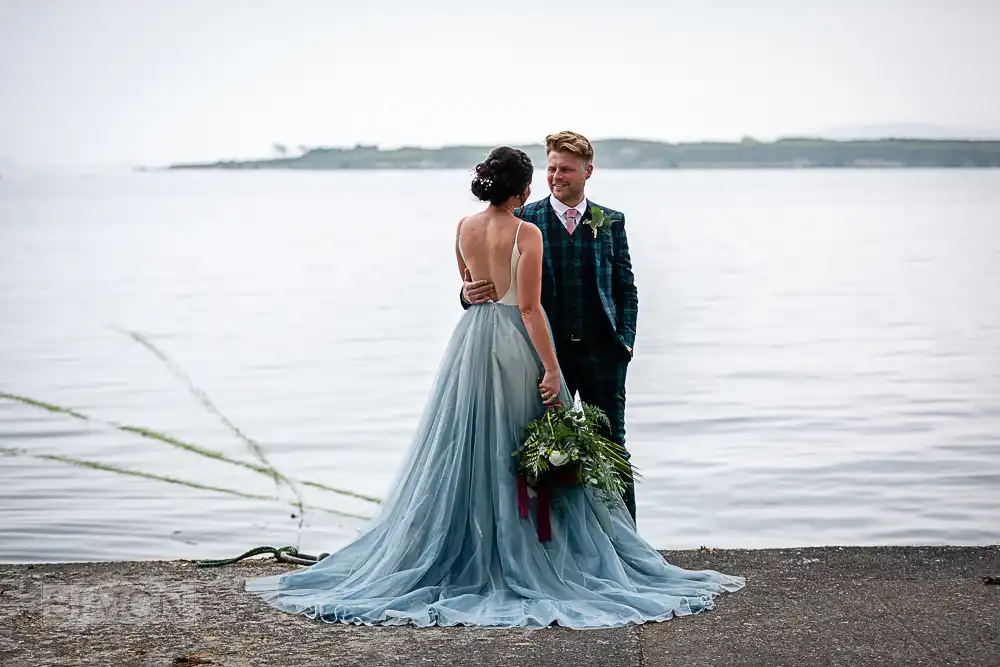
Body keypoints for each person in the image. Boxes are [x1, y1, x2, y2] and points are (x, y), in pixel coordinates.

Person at [244, 147, 744, 628]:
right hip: (513, 342)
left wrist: (469, 290)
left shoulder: (463, 226)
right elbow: (527, 307)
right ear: (524, 188)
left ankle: (471, 546)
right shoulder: (527, 231)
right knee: (520, 443)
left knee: (469, 444)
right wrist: (551, 369)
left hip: (470, 343)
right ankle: (535, 551)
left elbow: (470, 284)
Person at [461, 131, 639, 521]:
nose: (557, 176)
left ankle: (627, 544)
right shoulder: (524, 219)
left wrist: (624, 344)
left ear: (588, 171)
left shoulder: (609, 221)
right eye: (552, 168)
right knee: (542, 451)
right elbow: (492, 285)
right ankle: (553, 546)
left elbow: (626, 287)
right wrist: (466, 295)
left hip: (602, 355)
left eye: (567, 169)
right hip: (539, 357)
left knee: (613, 448)